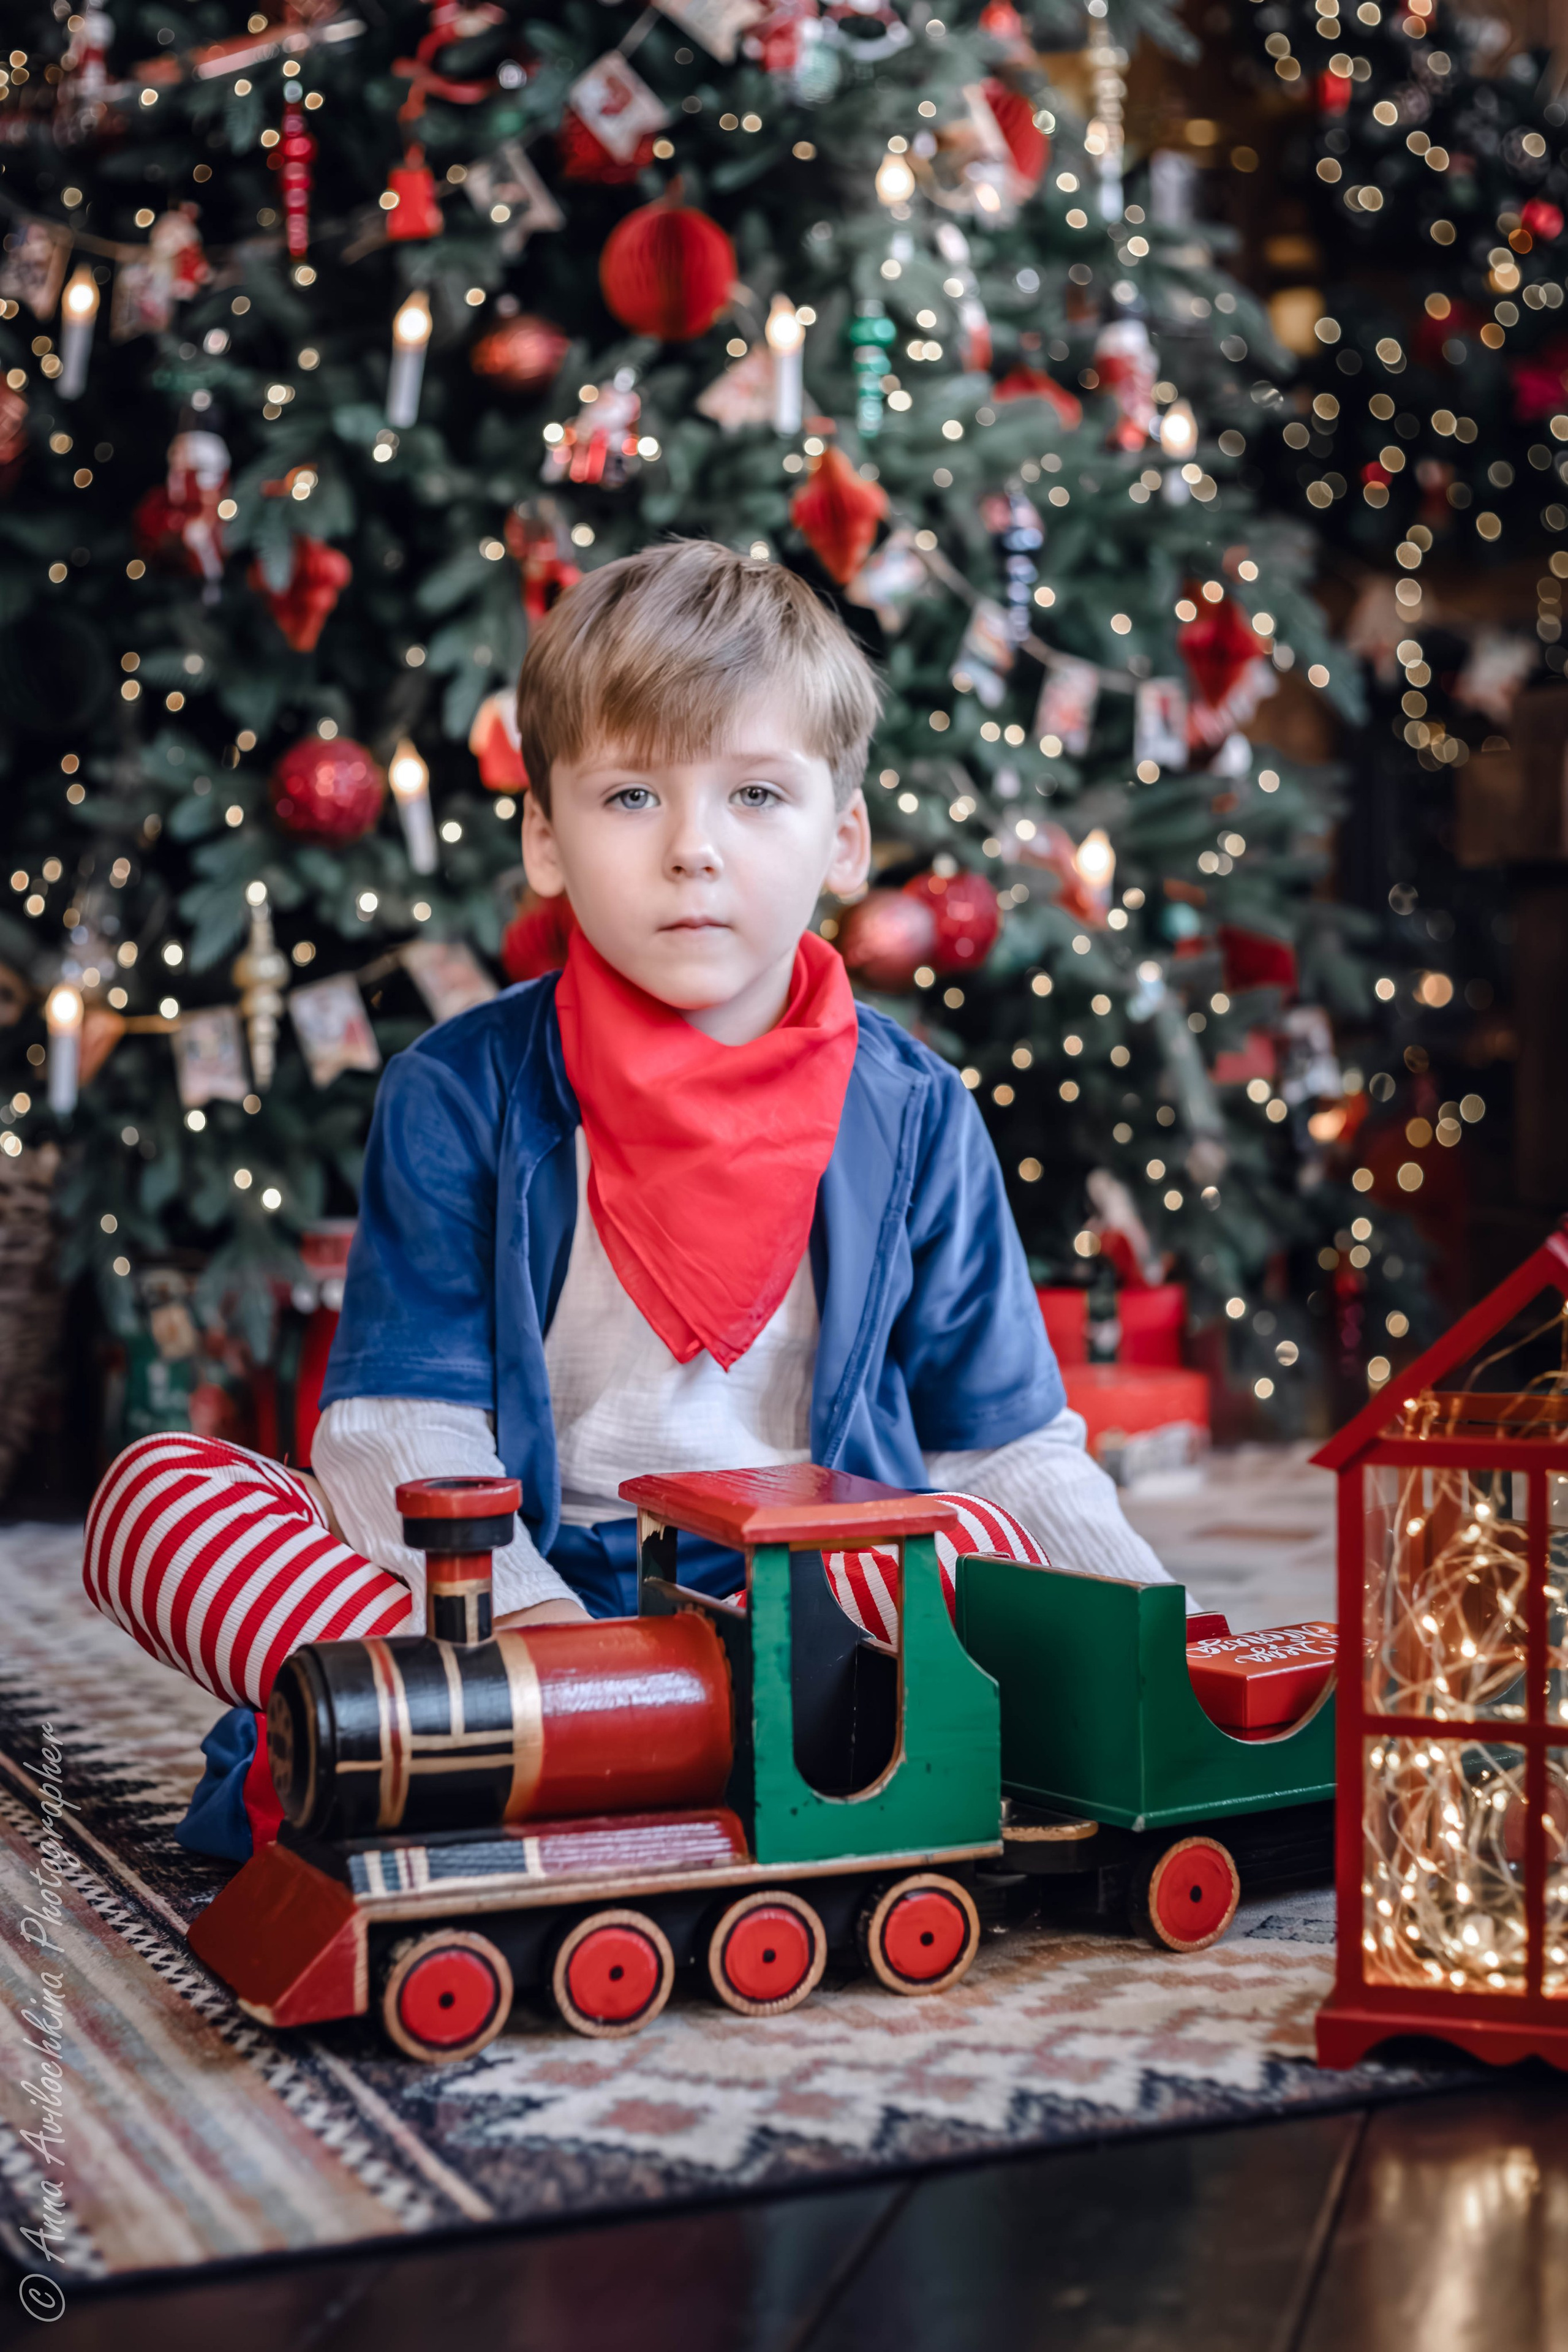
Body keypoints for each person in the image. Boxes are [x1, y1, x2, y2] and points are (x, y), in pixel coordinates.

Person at [82, 541, 1177, 1860]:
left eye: (757, 795)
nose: (692, 852)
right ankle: (595, 1732)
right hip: (518, 1594)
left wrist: (1155, 1652)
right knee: (161, 1494)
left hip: (814, 1600)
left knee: (983, 1540)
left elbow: (1002, 1448)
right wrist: (540, 1626)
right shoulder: (457, 1092)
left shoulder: (916, 1111)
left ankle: (521, 1751)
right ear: (544, 838)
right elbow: (396, 1431)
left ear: (845, 839)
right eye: (629, 798)